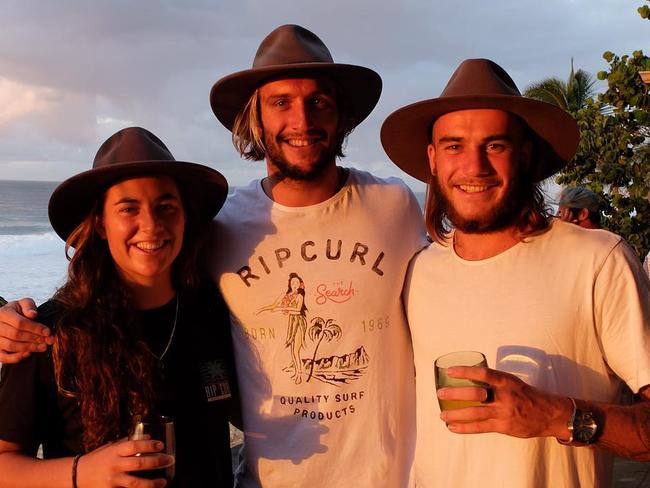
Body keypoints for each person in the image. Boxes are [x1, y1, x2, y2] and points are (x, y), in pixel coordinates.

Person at [0, 25, 427, 487]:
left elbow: (453, 278)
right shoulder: (223, 230)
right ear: (256, 120)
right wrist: (14, 321)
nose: (302, 120)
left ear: (341, 114)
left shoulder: (396, 206)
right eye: (280, 102)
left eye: (318, 101)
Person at [381, 58, 650, 487]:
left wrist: (557, 416)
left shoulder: (598, 260)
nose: (474, 167)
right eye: (454, 146)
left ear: (524, 155)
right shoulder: (418, 271)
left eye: (495, 145)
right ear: (433, 159)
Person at [0, 127, 235, 487]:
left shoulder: (214, 310)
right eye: (128, 208)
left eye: (166, 207)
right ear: (101, 224)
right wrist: (82, 472)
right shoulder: (50, 333)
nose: (151, 225)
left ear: (186, 217)